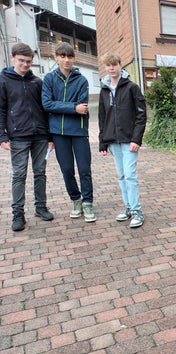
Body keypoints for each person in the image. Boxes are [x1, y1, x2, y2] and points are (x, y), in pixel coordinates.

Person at [0, 42, 54, 231]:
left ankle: (41, 207)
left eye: (29, 62)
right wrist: (2, 136)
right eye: (22, 61)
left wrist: (50, 136)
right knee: (19, 175)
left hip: (40, 135)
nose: (25, 65)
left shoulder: (37, 82)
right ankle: (18, 215)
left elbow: (45, 110)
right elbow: (1, 109)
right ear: (12, 57)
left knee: (40, 173)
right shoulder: (3, 80)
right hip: (18, 136)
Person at [42, 42, 95, 222]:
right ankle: (76, 200)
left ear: (74, 58)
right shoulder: (49, 79)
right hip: (59, 132)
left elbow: (84, 106)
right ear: (56, 57)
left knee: (84, 169)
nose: (66, 60)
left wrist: (59, 107)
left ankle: (87, 202)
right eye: (62, 56)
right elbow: (47, 104)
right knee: (66, 170)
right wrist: (73, 107)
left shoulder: (81, 80)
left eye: (70, 56)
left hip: (79, 131)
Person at [98, 51, 147, 228]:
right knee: (122, 176)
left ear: (120, 65)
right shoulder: (104, 90)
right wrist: (103, 141)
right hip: (113, 141)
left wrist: (137, 139)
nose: (111, 68)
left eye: (114, 64)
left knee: (130, 175)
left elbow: (141, 115)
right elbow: (102, 116)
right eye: (108, 65)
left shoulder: (132, 87)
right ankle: (128, 208)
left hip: (129, 140)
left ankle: (136, 211)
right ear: (105, 67)